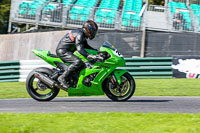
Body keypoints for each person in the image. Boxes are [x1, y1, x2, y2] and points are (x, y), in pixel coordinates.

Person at [56, 20, 99, 88]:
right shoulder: (80, 34)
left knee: (83, 63)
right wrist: (89, 55)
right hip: (63, 51)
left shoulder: (83, 35)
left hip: (69, 51)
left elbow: (86, 46)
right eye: (92, 31)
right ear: (87, 29)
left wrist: (97, 52)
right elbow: (80, 49)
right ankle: (62, 77)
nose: (93, 33)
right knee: (77, 62)